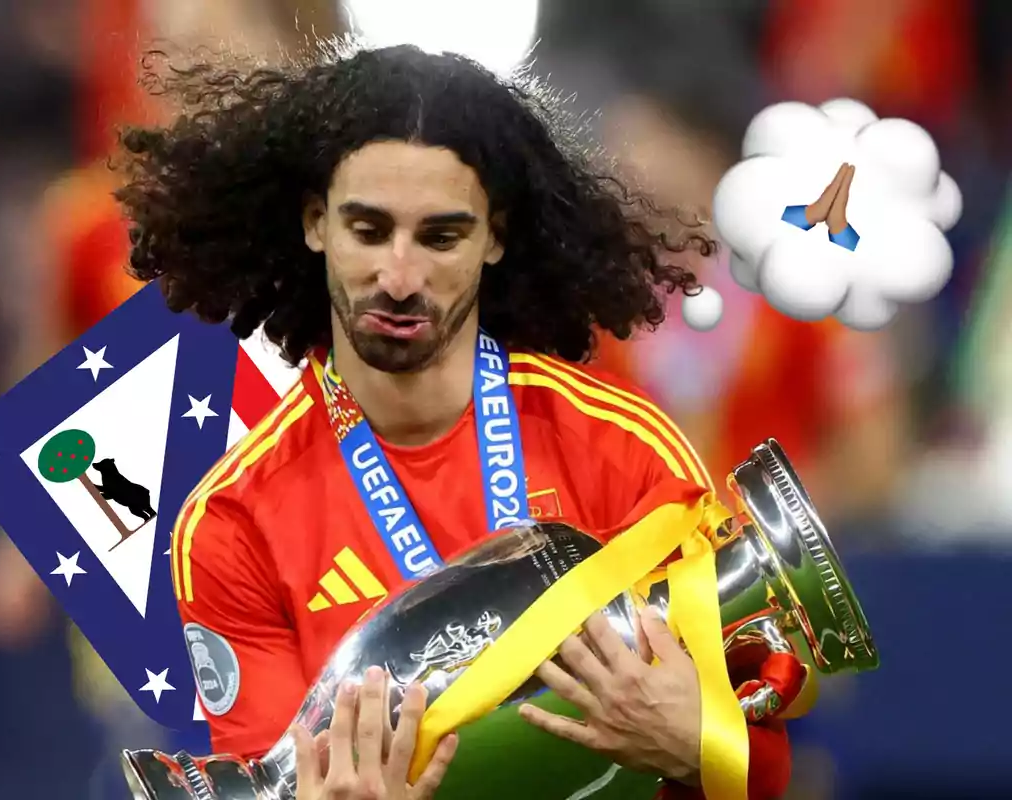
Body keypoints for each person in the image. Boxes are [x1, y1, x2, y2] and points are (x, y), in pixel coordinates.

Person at [115, 43, 793, 799]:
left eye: (441, 237)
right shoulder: (231, 521)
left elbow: (762, 761)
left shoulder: (627, 450)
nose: (399, 278)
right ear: (315, 224)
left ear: (494, 238)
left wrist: (695, 746)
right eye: (368, 231)